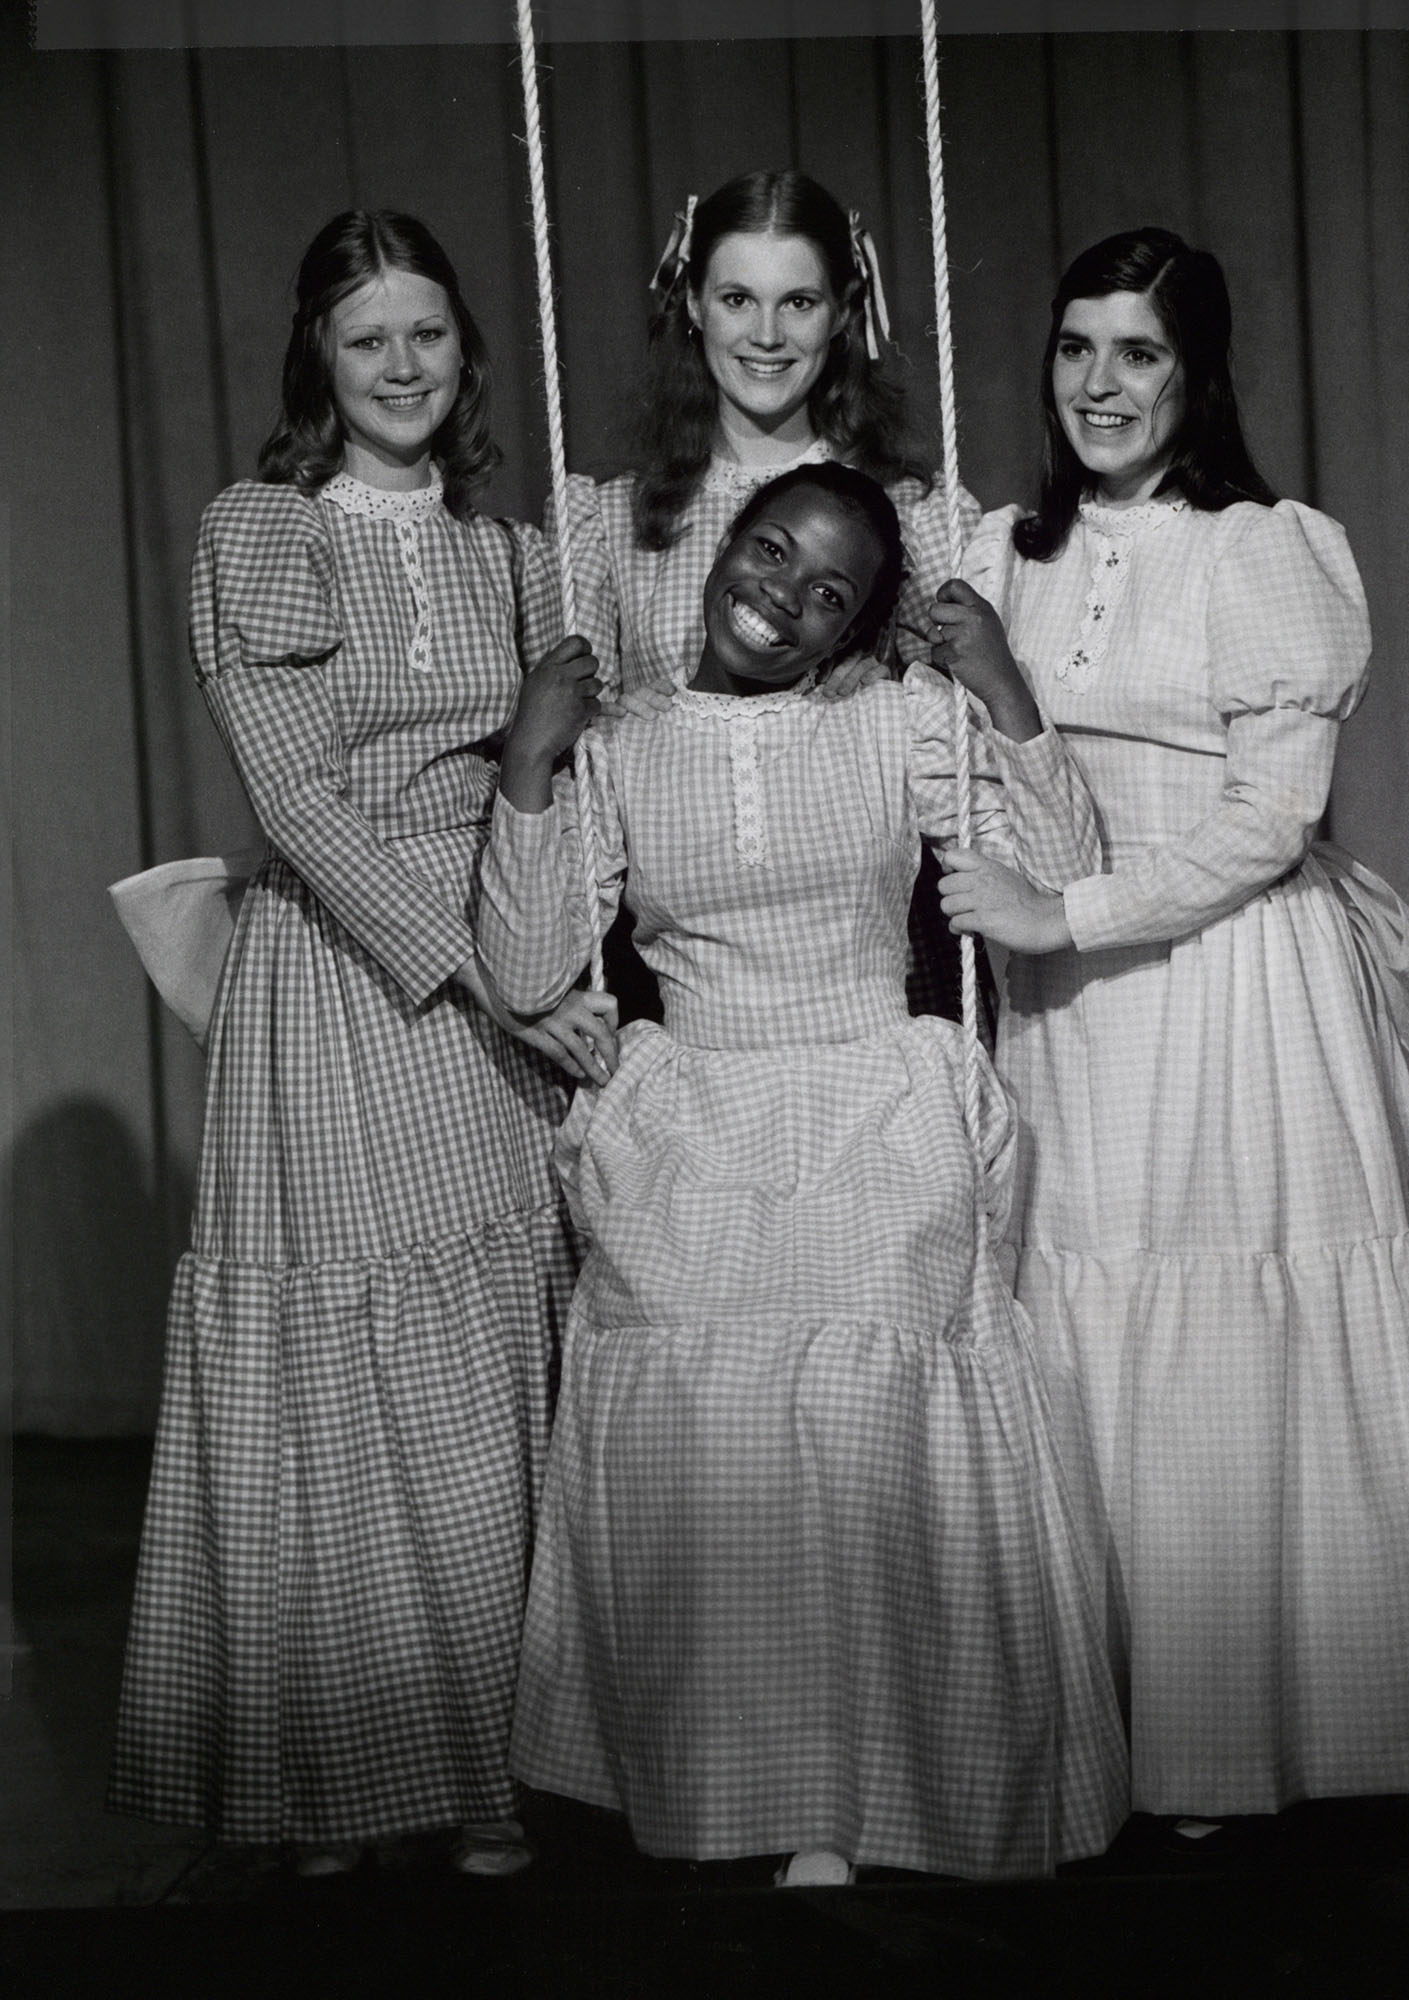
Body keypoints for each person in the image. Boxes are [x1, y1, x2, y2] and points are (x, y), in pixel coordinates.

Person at [476, 462, 1129, 1881]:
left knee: (859, 1376)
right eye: (769, 553)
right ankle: (732, 1776)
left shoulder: (898, 720)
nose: (779, 600)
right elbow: (528, 970)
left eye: (827, 592)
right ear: (727, 545)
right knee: (702, 1394)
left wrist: (1002, 688)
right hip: (697, 1105)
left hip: (868, 1095)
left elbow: (1066, 873)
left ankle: (864, 1785)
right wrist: (528, 764)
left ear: (855, 626)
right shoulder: (622, 742)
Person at [933, 227, 1409, 1819]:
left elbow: (1266, 820)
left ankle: (1235, 1737)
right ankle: (1111, 1723)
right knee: (1081, 1321)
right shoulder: (998, 549)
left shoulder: (1261, 550)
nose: (1100, 385)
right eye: (1076, 348)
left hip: (1230, 983)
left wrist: (1070, 913)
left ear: (1198, 374)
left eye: (1140, 354)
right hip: (1066, 1007)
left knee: (1219, 1337)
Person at [108, 211, 617, 1876]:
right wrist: (480, 976)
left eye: (429, 334)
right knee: (357, 1361)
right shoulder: (265, 533)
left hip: (502, 948)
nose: (404, 367)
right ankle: (334, 1774)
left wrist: (536, 954)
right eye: (366, 339)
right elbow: (300, 804)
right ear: (316, 361)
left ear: (469, 349)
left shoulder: (511, 552)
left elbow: (561, 770)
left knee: (492, 1363)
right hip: (350, 977)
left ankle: (494, 1773)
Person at [561, 166, 981, 1023]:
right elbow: (578, 754)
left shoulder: (909, 513)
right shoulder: (609, 520)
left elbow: (969, 742)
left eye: (798, 302)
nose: (765, 335)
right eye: (736, 299)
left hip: (864, 970)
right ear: (692, 304)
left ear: (843, 311)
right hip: (682, 972)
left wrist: (887, 687)